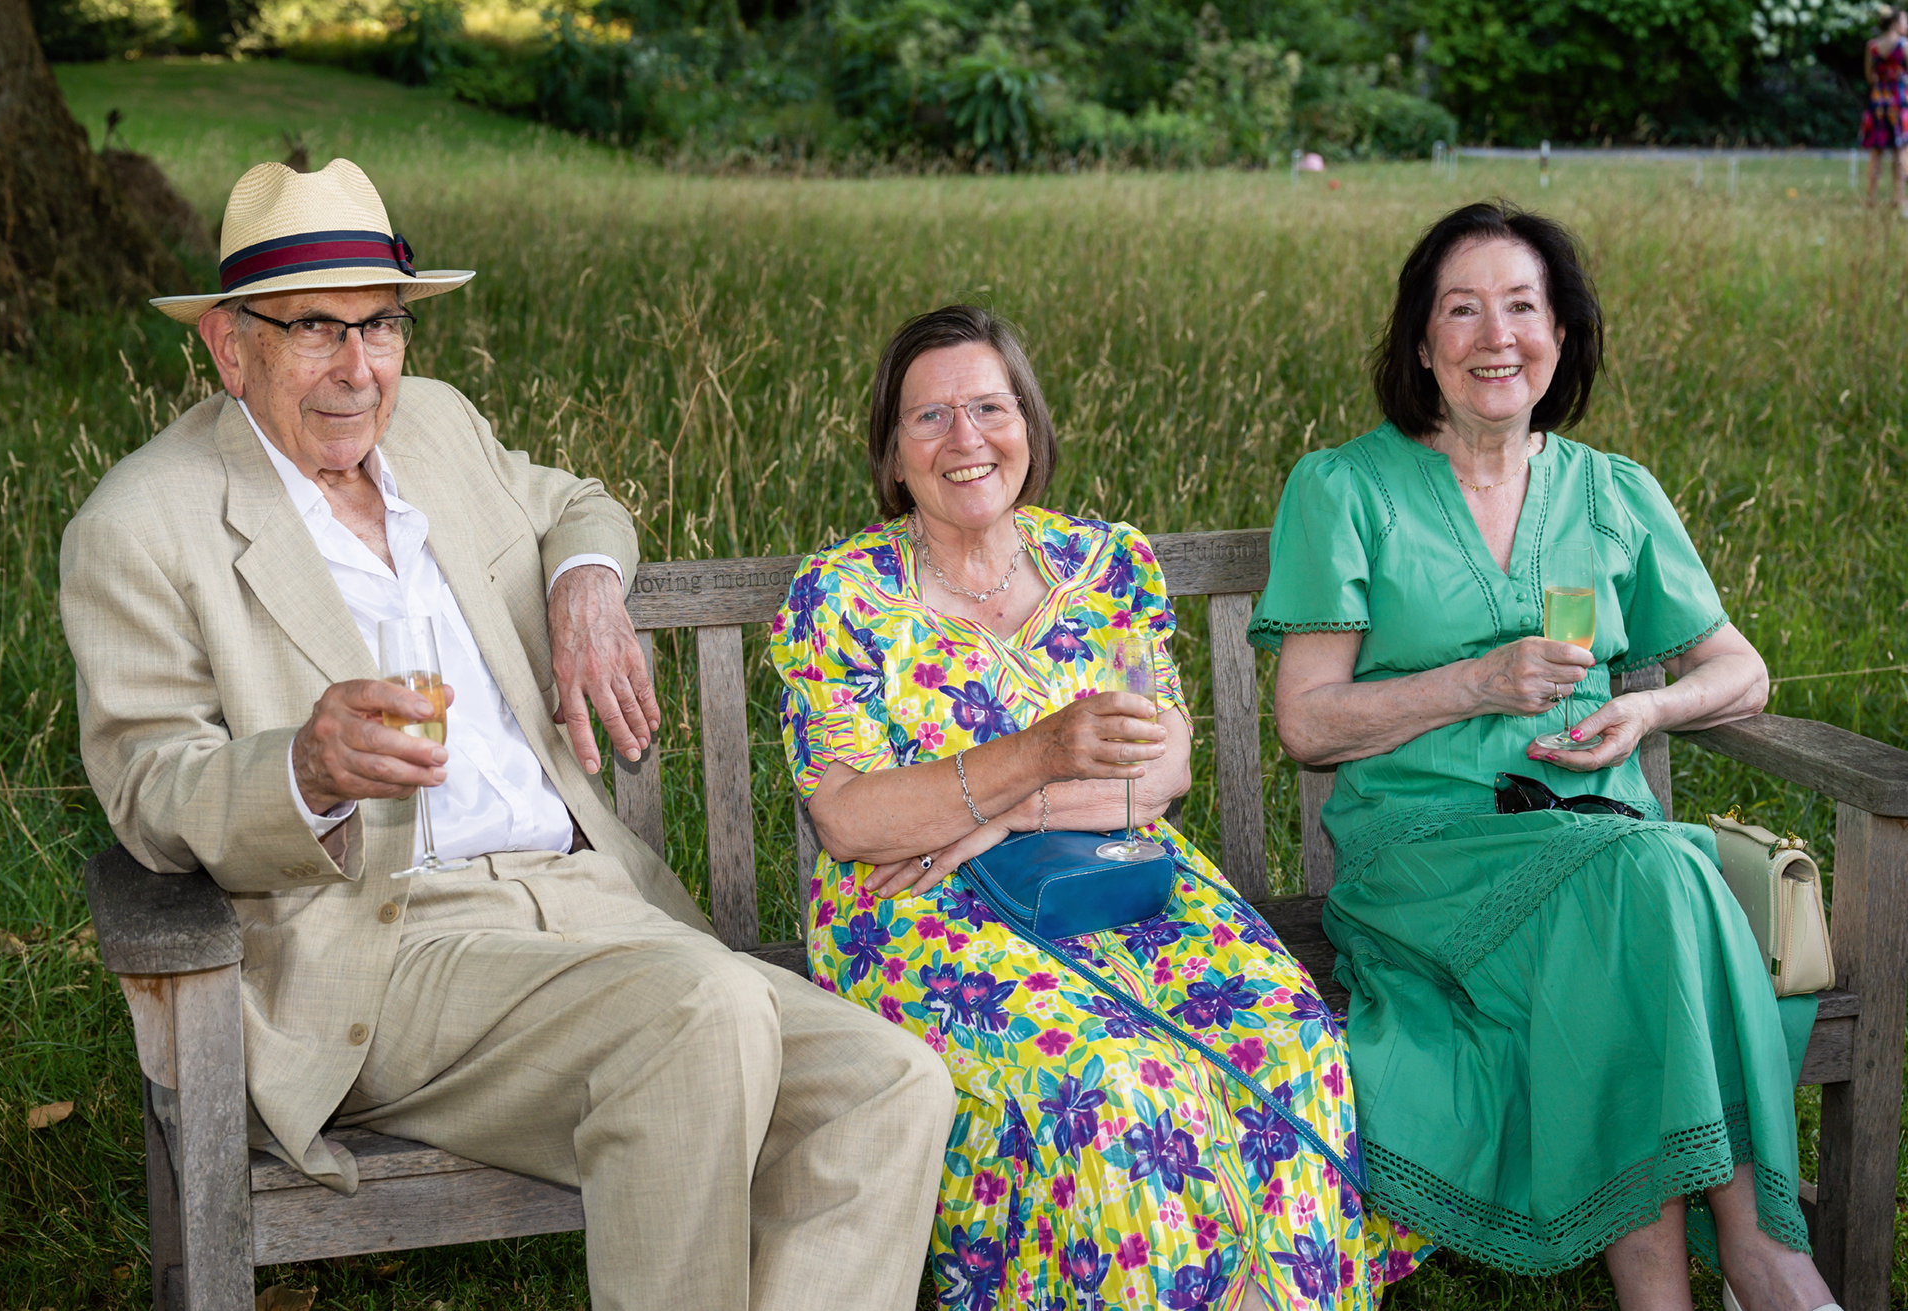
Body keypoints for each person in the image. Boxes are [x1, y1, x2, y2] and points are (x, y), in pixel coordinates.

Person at [59, 157, 952, 1311]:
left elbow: (577, 501)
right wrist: (302, 768)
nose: (356, 367)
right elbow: (145, 780)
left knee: (890, 1084)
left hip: (587, 906)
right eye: (313, 329)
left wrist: (583, 581)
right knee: (700, 1014)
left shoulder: (434, 427)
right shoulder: (142, 522)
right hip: (385, 951)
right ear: (230, 347)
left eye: (379, 325)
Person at [766, 305, 1433, 1311]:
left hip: (1126, 881)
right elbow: (851, 823)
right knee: (1112, 1084)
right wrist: (1038, 752)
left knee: (1290, 1040)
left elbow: (1158, 767)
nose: (965, 440)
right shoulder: (839, 596)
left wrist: (1005, 814)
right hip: (921, 916)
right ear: (891, 453)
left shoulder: (1105, 564)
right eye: (929, 418)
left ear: (1026, 424)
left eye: (988, 407)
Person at [1250, 201, 1842, 1311]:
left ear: (1560, 334)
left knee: (1638, 890)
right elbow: (1305, 722)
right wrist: (1472, 683)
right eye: (1460, 309)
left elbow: (1739, 671)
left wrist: (1646, 716)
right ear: (1420, 343)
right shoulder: (1342, 490)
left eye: (1521, 307)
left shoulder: (1611, 492)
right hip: (1426, 857)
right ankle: (1766, 1251)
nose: (1494, 336)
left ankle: (1667, 1290)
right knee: (1659, 880)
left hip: (1601, 853)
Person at [1861, 8, 1908, 217]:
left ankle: (1870, 199)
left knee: (1876, 152)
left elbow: (1870, 78)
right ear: (1895, 23)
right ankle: (1899, 199)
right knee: (1900, 152)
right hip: (1899, 102)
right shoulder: (1904, 47)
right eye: (1905, 20)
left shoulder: (1872, 47)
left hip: (1878, 102)